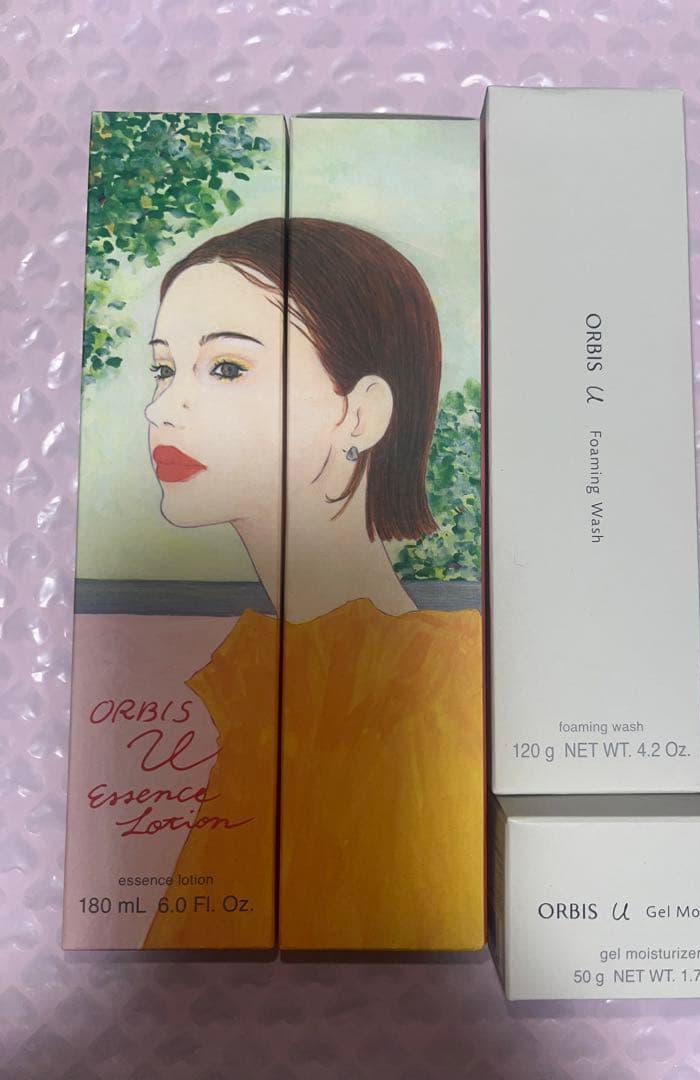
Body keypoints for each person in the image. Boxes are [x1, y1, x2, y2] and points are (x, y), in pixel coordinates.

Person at [143, 218, 484, 950]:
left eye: (225, 368)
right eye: (163, 369)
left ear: (360, 414)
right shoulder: (269, 675)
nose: (161, 408)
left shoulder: (422, 692)